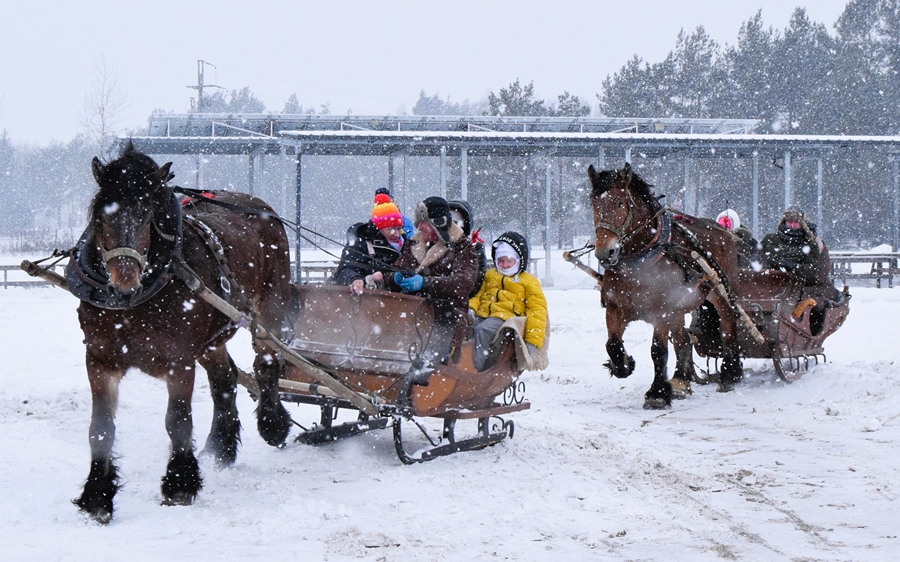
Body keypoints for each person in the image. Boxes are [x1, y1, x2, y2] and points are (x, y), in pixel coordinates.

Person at [386, 196, 480, 390]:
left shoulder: (463, 248)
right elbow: (394, 270)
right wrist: (394, 277)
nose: (419, 227)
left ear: (438, 224)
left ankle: (424, 373)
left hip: (448, 312)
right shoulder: (413, 244)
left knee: (445, 315)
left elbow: (463, 283)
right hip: (412, 308)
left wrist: (425, 283)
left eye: (424, 223)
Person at [469, 232, 548, 372]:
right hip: (483, 313)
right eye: (500, 261)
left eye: (509, 261)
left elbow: (537, 311)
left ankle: (474, 369)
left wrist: (532, 342)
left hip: (505, 317)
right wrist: (470, 309)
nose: (504, 265)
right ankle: (455, 361)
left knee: (482, 331)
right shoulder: (490, 275)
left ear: (518, 260)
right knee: (463, 324)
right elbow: (478, 295)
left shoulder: (528, 281)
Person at [761, 208, 840, 315]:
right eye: (789, 222)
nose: (792, 225)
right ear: (784, 222)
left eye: (796, 222)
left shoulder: (811, 244)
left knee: (812, 301)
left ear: (802, 225)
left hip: (800, 288)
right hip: (772, 285)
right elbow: (760, 259)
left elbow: (814, 272)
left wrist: (793, 267)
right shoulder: (770, 240)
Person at [330, 192, 405, 294]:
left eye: (399, 228)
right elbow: (345, 269)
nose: (397, 234)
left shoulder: (407, 244)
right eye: (391, 229)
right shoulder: (361, 243)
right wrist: (355, 279)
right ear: (379, 229)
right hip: (367, 299)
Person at [448, 199, 488, 297]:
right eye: (448, 222)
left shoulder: (473, 248)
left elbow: (473, 284)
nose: (450, 227)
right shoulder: (434, 244)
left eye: (455, 223)